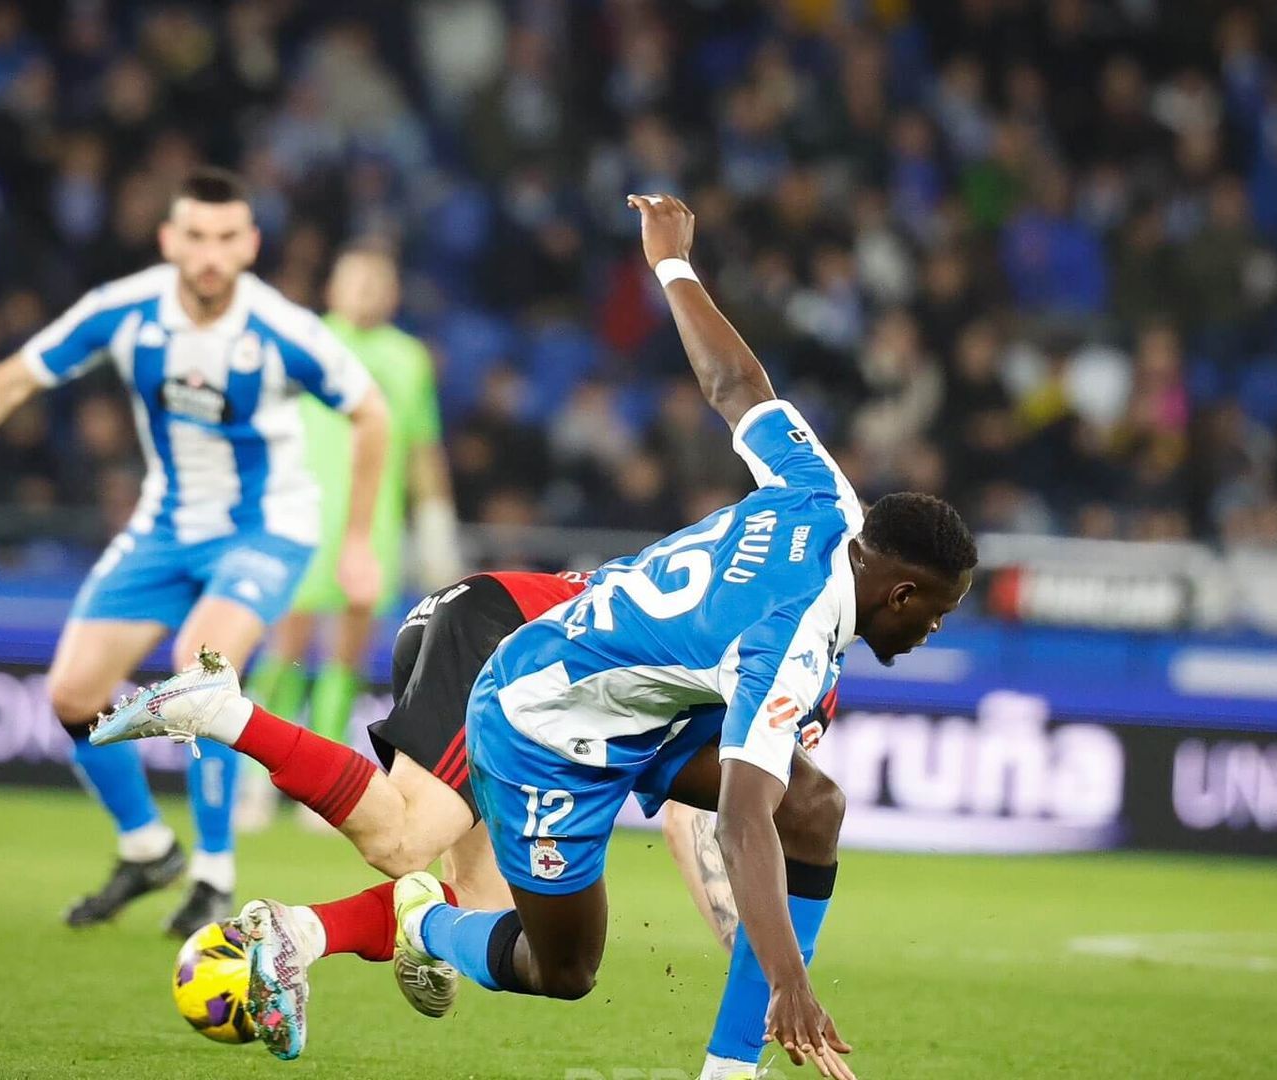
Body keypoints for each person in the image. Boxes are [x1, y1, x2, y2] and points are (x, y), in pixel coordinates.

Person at [387, 194, 973, 1080]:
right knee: (564, 969)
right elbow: (740, 825)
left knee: (813, 807)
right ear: (897, 590)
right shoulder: (792, 637)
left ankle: (727, 1073)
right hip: (541, 722)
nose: (933, 627)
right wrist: (789, 981)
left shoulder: (826, 496)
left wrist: (672, 263)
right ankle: (425, 921)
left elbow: (737, 387)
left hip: (645, 707)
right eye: (935, 609)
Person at [0, 167, 391, 937]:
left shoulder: (280, 328)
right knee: (73, 694)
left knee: (200, 661)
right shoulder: (125, 310)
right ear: (170, 240)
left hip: (266, 528)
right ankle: (147, 848)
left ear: (249, 244)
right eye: (196, 237)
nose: (210, 254)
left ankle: (215, 871)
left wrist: (355, 544)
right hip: (166, 526)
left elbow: (370, 414)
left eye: (226, 238)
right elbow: (16, 377)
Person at [91, 563, 841, 1061]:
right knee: (404, 837)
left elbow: (695, 816)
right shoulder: (800, 670)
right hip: (508, 647)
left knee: (485, 911)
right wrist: (775, 971)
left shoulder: (766, 590)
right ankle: (224, 713)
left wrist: (769, 969)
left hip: (489, 628)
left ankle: (302, 932)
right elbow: (709, 823)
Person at [243, 249, 460, 790]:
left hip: (373, 526)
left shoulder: (409, 358)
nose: (365, 291)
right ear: (332, 288)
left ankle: (325, 780)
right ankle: (254, 776)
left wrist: (436, 525)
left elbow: (422, 448)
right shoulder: (303, 341)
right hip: (301, 518)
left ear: (393, 292)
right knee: (287, 644)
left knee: (347, 652)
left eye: (376, 281)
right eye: (354, 280)